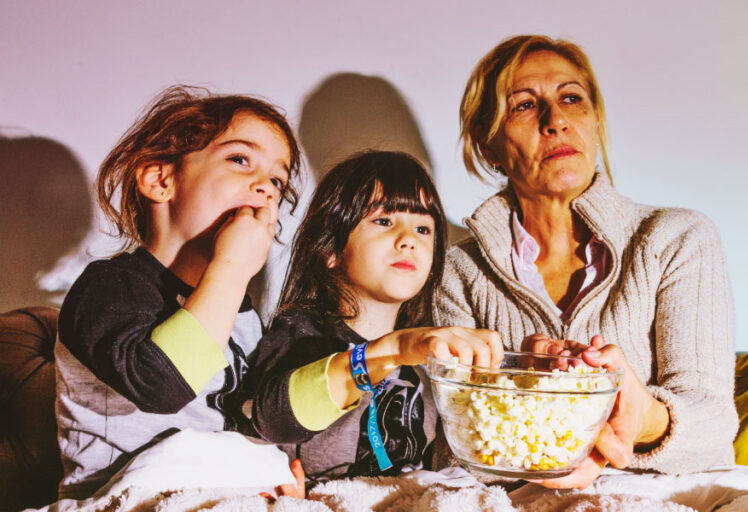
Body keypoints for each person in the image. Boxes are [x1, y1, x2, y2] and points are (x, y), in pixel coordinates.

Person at [433, 35, 738, 489]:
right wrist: (527, 397)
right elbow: (452, 446)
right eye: (522, 106)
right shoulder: (458, 272)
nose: (555, 121)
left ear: (594, 121)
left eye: (571, 99)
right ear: (489, 144)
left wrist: (641, 417)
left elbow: (714, 431)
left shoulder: (678, 238)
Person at [54, 85, 301, 499]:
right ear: (160, 179)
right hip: (126, 498)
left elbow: (245, 417)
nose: (267, 188)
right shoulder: (107, 286)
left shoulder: (239, 309)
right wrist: (233, 268)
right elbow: (159, 385)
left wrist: (275, 476)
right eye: (240, 159)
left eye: (278, 179)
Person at [247, 150, 503, 485]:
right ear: (330, 250)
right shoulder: (301, 332)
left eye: (424, 229)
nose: (409, 239)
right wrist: (394, 348)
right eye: (384, 221)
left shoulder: (430, 359)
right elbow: (274, 420)